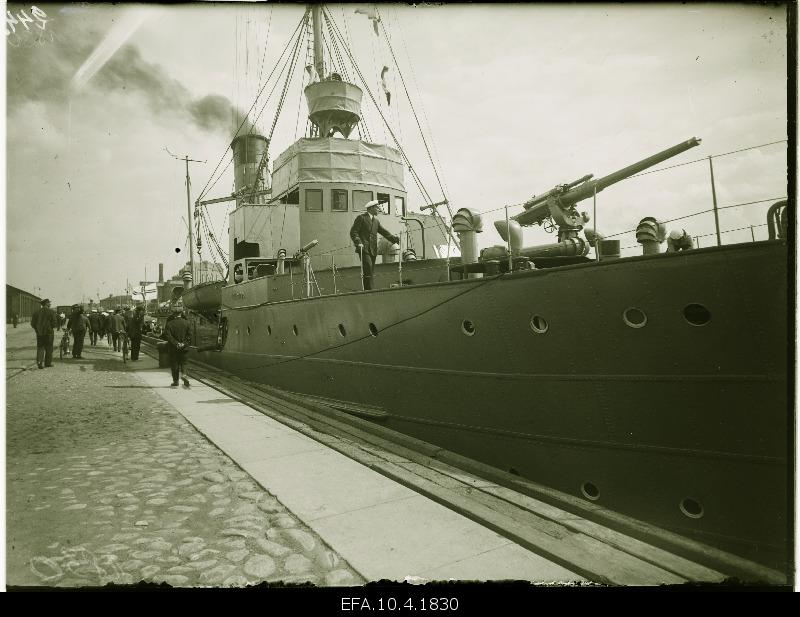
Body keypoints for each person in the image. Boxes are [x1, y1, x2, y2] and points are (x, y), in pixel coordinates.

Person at [349, 200, 399, 291]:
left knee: (370, 270)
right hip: (363, 248)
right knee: (367, 267)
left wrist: (394, 239)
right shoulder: (361, 218)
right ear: (371, 208)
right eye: (377, 208)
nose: (378, 209)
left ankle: (368, 289)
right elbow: (354, 232)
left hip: (373, 249)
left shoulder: (376, 221)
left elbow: (384, 232)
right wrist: (358, 242)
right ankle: (369, 290)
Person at [163, 310, 191, 387]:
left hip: (173, 348)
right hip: (184, 348)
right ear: (181, 313)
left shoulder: (169, 324)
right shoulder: (187, 323)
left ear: (173, 314)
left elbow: (168, 336)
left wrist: (176, 344)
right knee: (184, 363)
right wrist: (183, 343)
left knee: (174, 365)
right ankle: (184, 374)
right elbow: (189, 336)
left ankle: (176, 382)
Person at [31, 299, 58, 368]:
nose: (50, 304)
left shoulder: (36, 312)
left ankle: (40, 363)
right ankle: (47, 363)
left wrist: (37, 330)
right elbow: (55, 323)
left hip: (39, 334)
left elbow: (32, 323)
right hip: (49, 333)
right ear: (46, 303)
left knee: (40, 348)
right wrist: (50, 328)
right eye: (49, 303)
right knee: (49, 348)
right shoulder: (51, 312)